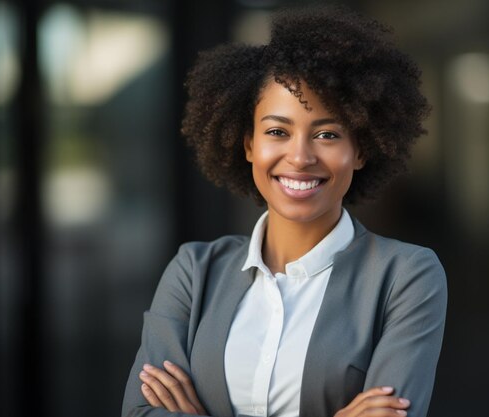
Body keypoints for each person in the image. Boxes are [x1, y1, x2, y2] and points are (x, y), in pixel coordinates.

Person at [121, 5, 446, 417]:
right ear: (248, 145)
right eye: (277, 131)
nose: (300, 156)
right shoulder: (193, 271)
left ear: (360, 150)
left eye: (327, 134)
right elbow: (140, 411)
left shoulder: (406, 276)